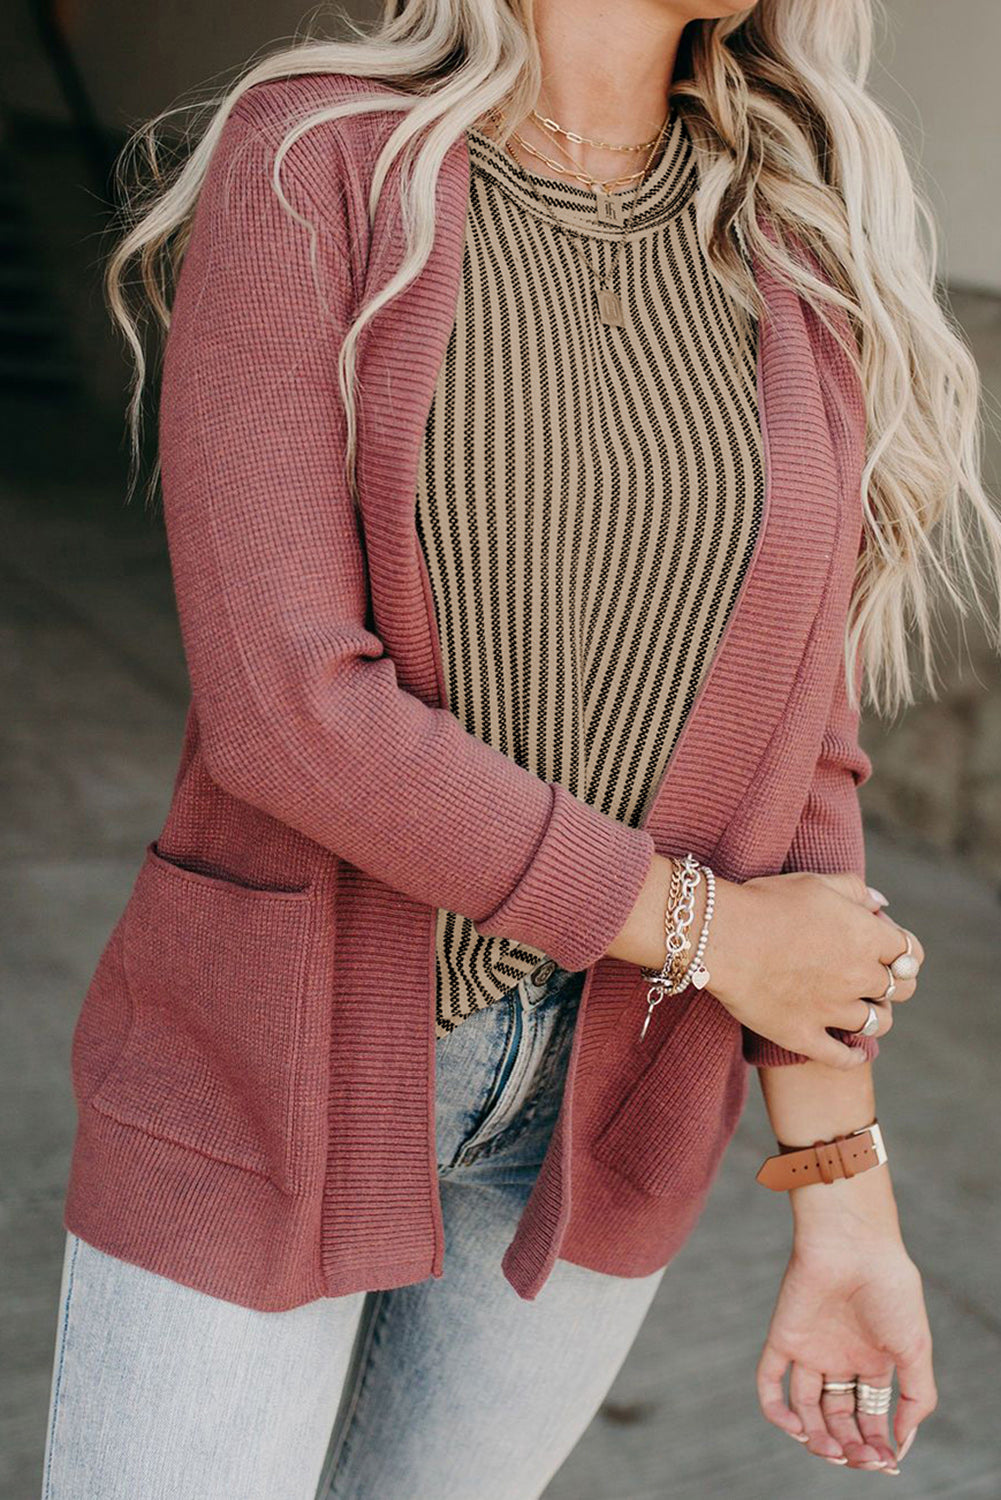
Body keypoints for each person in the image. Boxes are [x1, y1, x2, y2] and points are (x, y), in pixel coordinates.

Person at [41, 1, 1001, 1496]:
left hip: (609, 1108)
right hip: (276, 1070)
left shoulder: (788, 240)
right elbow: (290, 714)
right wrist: (705, 931)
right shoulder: (316, 165)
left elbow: (795, 780)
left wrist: (844, 1207)